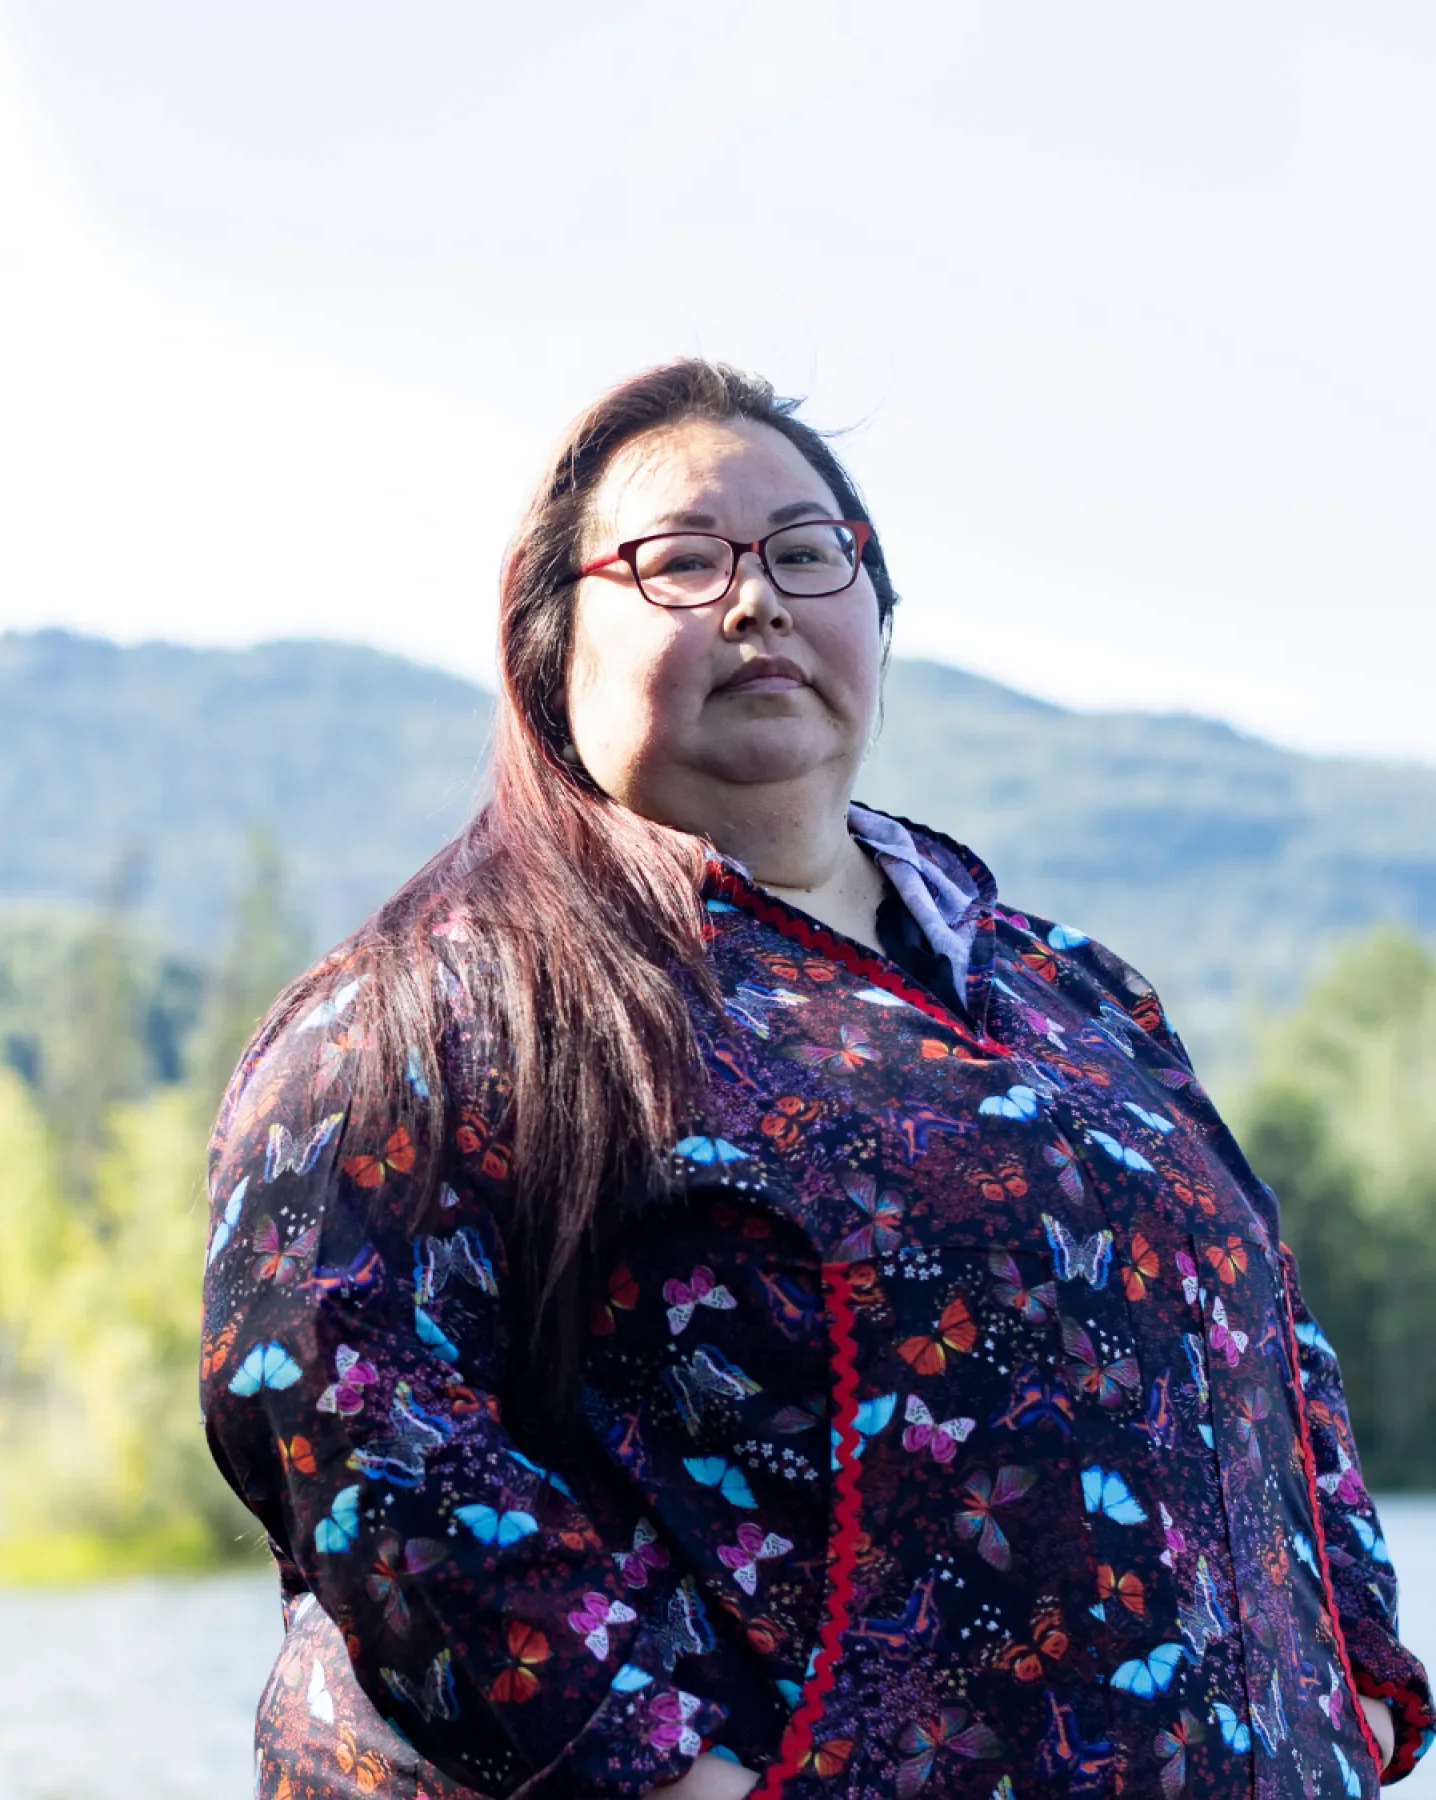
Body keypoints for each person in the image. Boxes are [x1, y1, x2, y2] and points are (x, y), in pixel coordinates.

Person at [200, 360, 1430, 1799]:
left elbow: (1264, 1334)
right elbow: (352, 1420)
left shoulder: (1073, 990)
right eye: (679, 561)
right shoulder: (441, 1010)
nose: (756, 599)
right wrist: (667, 1777)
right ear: (549, 646)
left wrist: (1354, 1667)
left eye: (806, 552)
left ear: (879, 619)